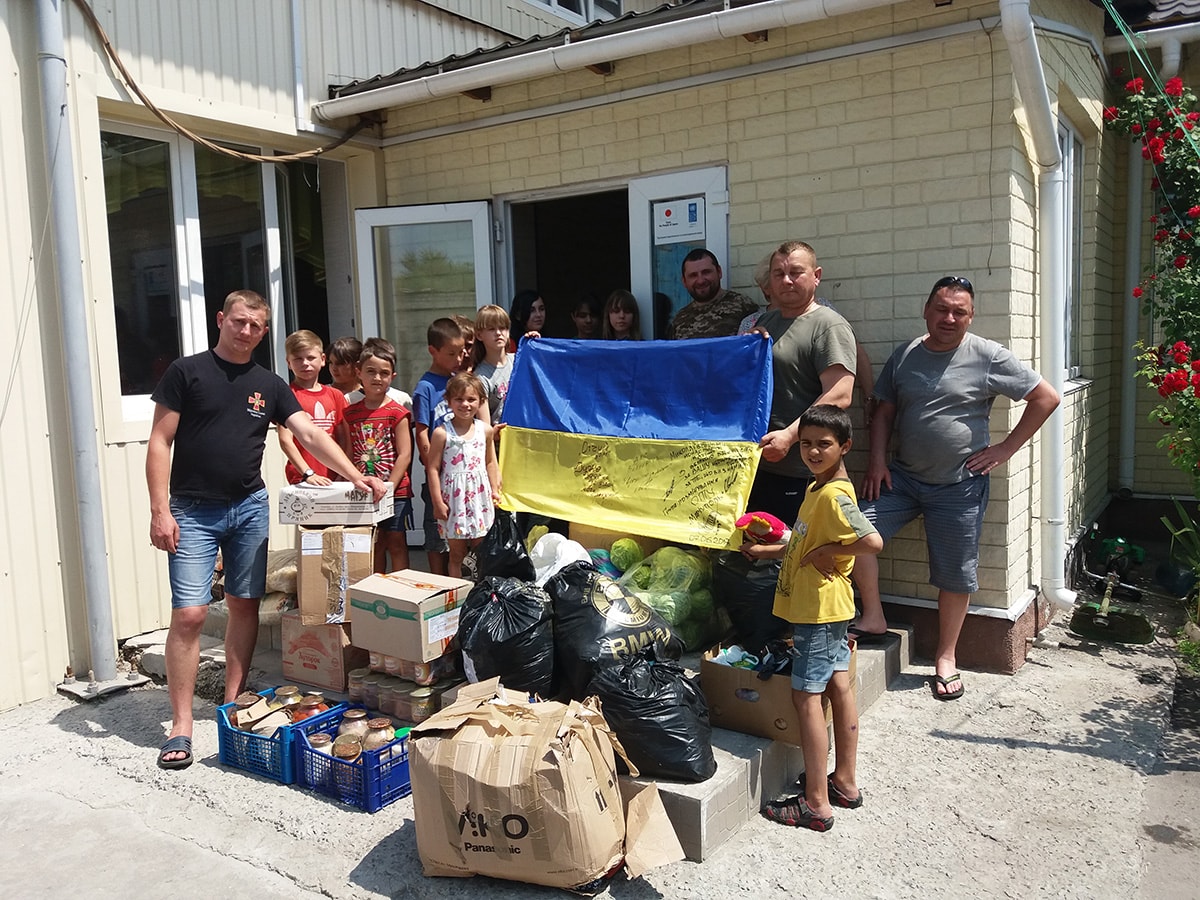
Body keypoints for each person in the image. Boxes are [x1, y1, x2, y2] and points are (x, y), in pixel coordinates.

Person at [147, 290, 386, 770]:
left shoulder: (269, 384)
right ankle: (181, 725)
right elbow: (159, 441)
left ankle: (233, 703)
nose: (247, 331)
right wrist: (160, 510)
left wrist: (355, 475)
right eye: (239, 322)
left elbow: (311, 434)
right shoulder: (186, 372)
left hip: (250, 506)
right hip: (192, 510)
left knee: (243, 605)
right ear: (222, 320)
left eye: (256, 325)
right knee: (191, 615)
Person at [855, 276, 1060, 698]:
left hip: (958, 487)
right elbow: (884, 413)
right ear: (926, 310)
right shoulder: (906, 354)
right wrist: (876, 461)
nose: (949, 317)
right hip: (903, 479)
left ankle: (945, 656)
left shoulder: (988, 356)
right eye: (942, 308)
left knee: (955, 575)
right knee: (853, 531)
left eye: (959, 311)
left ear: (970, 316)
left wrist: (1005, 448)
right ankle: (873, 617)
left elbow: (1046, 398)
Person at [758, 405, 881, 832]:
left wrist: (832, 553)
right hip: (828, 610)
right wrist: (770, 550)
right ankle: (843, 782)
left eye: (823, 444)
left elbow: (872, 540)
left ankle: (815, 803)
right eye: (806, 443)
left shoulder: (833, 495)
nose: (812, 451)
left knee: (806, 699)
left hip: (818, 612)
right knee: (838, 686)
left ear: (845, 446)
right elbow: (805, 542)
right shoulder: (817, 488)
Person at [750, 241, 857, 526]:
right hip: (759, 465)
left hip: (804, 470)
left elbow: (840, 394)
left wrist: (789, 436)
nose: (786, 280)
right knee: (758, 554)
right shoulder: (766, 321)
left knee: (793, 558)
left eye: (796, 272)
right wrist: (747, 348)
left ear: (817, 276)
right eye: (778, 273)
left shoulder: (828, 325)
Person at [342, 339, 414, 573]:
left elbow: (405, 454)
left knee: (396, 543)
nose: (377, 378)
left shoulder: (398, 412)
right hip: (364, 491)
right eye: (370, 372)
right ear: (358, 373)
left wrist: (390, 487)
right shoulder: (350, 413)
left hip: (395, 492)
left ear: (392, 376)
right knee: (374, 543)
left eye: (384, 373)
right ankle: (377, 591)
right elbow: (349, 452)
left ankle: (402, 591)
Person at [427, 373, 500, 577]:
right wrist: (437, 503)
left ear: (481, 401)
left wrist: (495, 490)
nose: (465, 404)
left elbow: (489, 462)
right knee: (456, 554)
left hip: (479, 499)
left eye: (471, 399)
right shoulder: (442, 433)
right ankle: (457, 599)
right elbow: (432, 468)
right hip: (454, 500)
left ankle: (482, 595)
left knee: (482, 551)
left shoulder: (485, 430)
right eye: (459, 399)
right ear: (449, 401)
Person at [412, 318, 467, 576]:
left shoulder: (460, 381)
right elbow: (421, 431)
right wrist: (431, 463)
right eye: (451, 353)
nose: (458, 358)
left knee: (459, 535)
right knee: (436, 533)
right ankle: (437, 583)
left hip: (462, 475)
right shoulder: (425, 388)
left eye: (462, 352)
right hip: (438, 476)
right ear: (433, 351)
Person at [276, 330, 347, 487]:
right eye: (298, 359)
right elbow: (285, 440)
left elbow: (344, 438)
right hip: (303, 478)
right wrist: (307, 473)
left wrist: (345, 472)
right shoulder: (287, 395)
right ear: (288, 362)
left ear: (322, 359)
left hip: (336, 476)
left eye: (310, 357)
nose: (305, 363)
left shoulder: (336, 395)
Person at [668, 248, 759, 340]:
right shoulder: (680, 319)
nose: (700, 281)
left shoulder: (743, 306)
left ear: (719, 272)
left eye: (706, 272)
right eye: (693, 275)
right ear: (684, 281)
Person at [471, 305, 514, 421]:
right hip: (501, 437)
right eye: (491, 329)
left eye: (503, 328)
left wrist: (533, 343)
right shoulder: (480, 378)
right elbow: (485, 425)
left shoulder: (518, 362)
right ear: (479, 335)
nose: (498, 333)